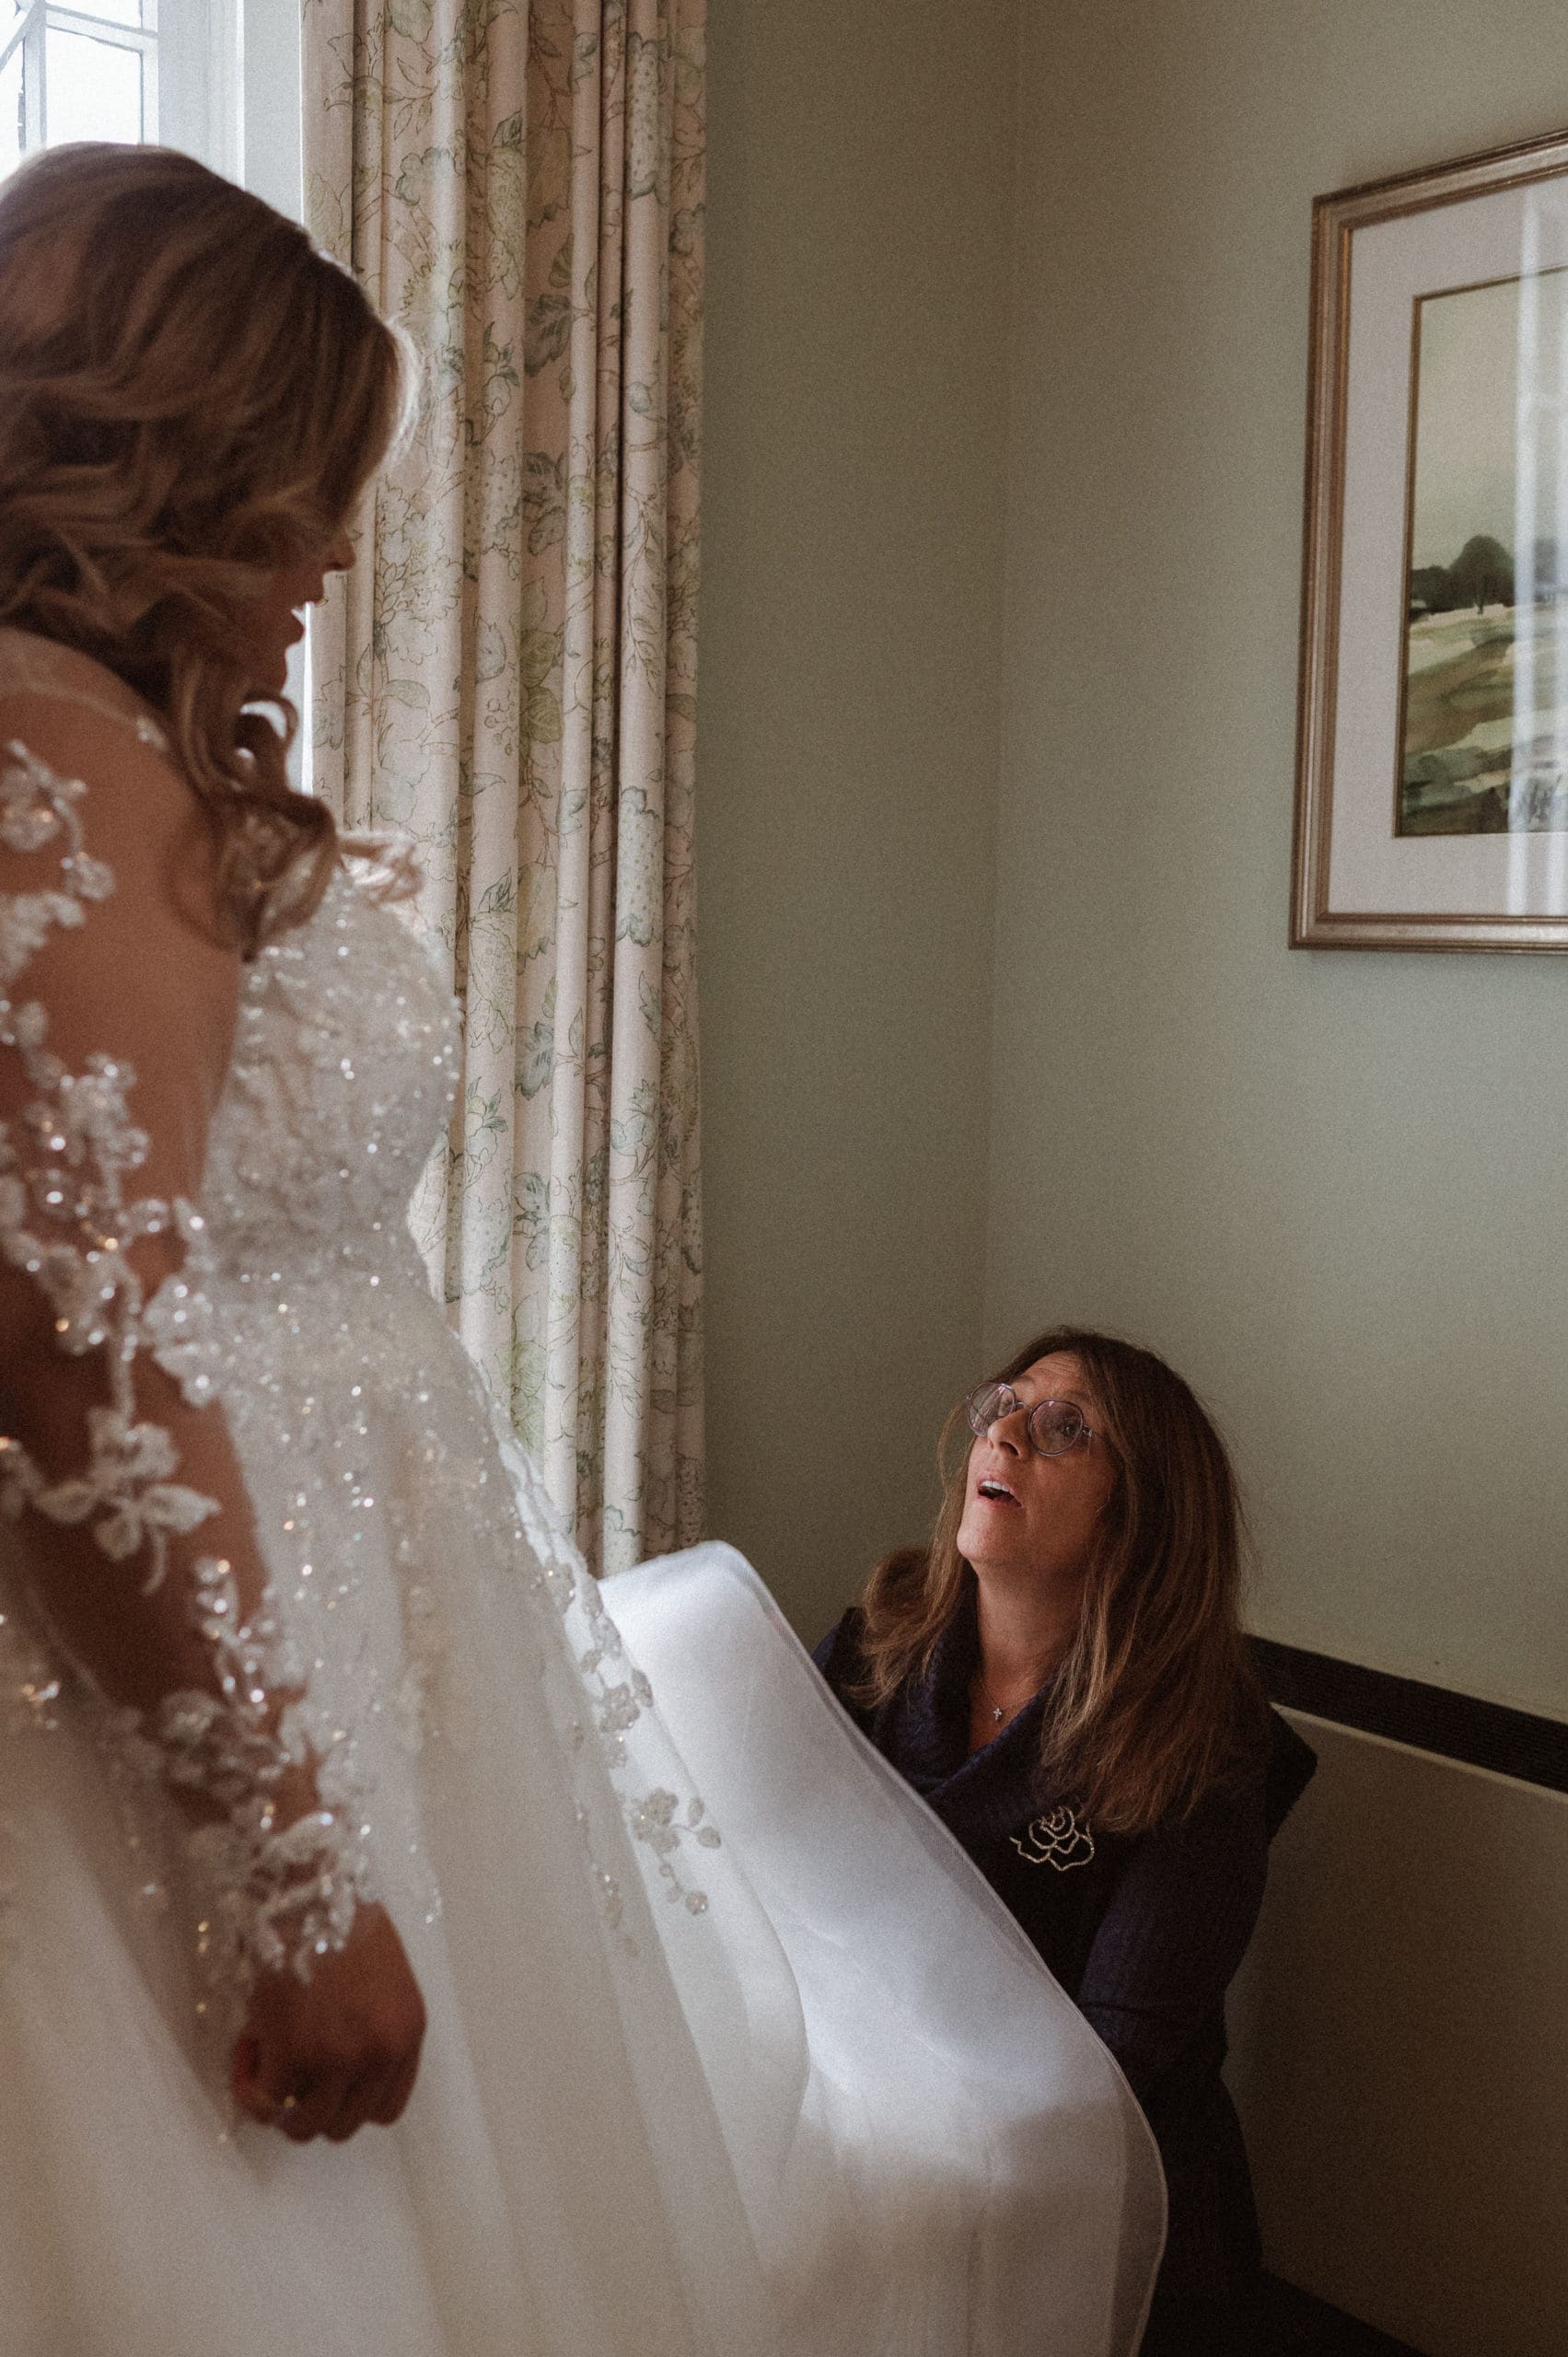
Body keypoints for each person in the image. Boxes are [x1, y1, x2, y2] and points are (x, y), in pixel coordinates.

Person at [0, 145, 1165, 2357]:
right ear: (184, 459)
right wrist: (284, 1869)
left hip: (340, 1642)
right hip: (197, 1731)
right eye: (310, 487)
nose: (337, 550)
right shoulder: (56, 750)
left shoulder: (92, 736)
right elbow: (74, 1353)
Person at [814, 1328, 1318, 2357]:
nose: (1002, 1434)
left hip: (1092, 2207)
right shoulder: (872, 1649)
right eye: (1002, 1405)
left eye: (1063, 1429)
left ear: (1140, 1515)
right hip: (863, 2137)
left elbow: (1104, 2073)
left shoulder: (1199, 1750)